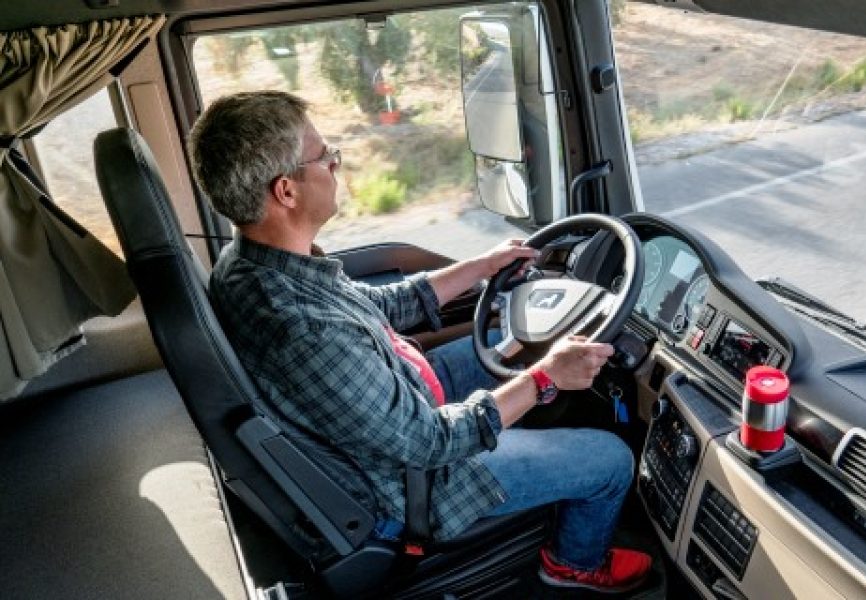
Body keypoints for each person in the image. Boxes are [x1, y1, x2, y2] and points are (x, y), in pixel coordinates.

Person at [188, 90, 652, 594]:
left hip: (399, 399)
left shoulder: (258, 266)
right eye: (326, 157)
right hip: (415, 482)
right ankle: (572, 566)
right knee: (609, 459)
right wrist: (545, 379)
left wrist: (479, 268)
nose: (336, 164)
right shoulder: (297, 324)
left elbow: (376, 307)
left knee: (510, 341)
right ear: (286, 191)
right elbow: (430, 442)